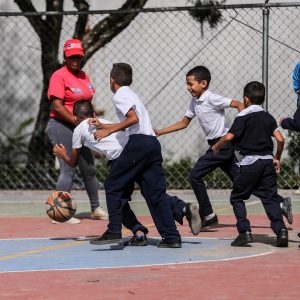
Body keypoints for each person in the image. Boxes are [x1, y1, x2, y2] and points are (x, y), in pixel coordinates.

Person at [155, 66, 293, 227]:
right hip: (217, 146)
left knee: (195, 175)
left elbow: (238, 104)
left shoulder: (212, 98)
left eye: (191, 84)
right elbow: (184, 123)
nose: (188, 87)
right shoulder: (194, 102)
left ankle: (208, 215)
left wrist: (240, 127)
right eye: (187, 84)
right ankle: (281, 202)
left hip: (222, 145)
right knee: (242, 183)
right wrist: (161, 132)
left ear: (203, 84)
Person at [88, 63, 201, 248]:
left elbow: (133, 119)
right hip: (151, 144)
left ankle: (114, 230)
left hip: (139, 144)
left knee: (112, 185)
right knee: (154, 193)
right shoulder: (132, 94)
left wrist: (109, 132)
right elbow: (133, 122)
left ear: (112, 80)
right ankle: (172, 238)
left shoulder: (120, 95)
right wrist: (105, 126)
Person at [53, 100, 149, 246]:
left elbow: (72, 162)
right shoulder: (103, 121)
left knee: (113, 193)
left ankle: (114, 231)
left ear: (75, 118)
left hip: (120, 159)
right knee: (150, 194)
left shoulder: (78, 130)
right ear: (93, 114)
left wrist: (62, 154)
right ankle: (180, 209)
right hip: (136, 152)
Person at [212, 81, 288, 247]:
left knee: (237, 197)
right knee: (269, 198)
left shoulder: (242, 117)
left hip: (250, 162)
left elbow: (230, 137)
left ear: (245, 99)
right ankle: (281, 230)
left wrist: (217, 146)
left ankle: (244, 232)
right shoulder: (268, 117)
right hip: (267, 162)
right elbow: (280, 139)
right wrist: (277, 157)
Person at [46, 38, 108, 224]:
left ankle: (95, 208)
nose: (75, 59)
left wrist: (89, 119)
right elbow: (57, 106)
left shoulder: (83, 76)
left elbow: (85, 102)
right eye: (72, 56)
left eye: (78, 56)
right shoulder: (59, 75)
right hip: (61, 126)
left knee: (88, 168)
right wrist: (74, 120)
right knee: (68, 168)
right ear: (65, 56)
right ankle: (59, 213)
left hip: (81, 128)